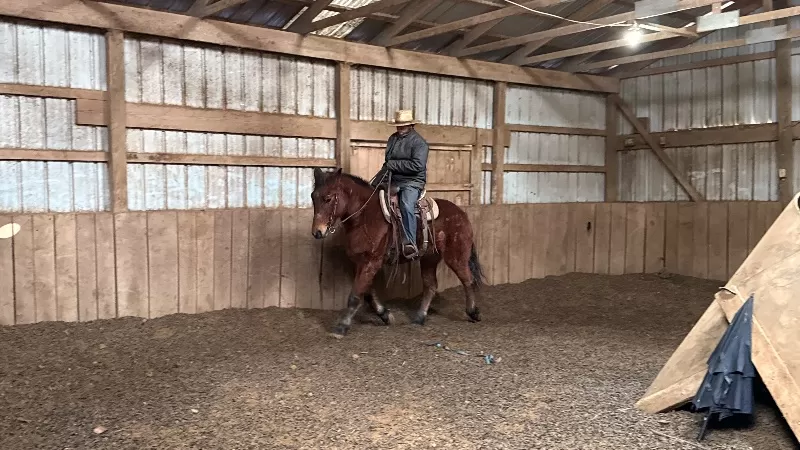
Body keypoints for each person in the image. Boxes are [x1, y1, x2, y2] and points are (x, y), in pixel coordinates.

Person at [371, 109, 429, 259]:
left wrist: (393, 165)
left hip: (412, 181)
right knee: (373, 198)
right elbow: (388, 163)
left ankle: (410, 243)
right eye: (398, 125)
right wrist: (377, 180)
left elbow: (417, 166)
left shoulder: (420, 143)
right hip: (393, 178)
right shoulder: (392, 139)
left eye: (403, 125)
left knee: (405, 203)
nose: (399, 128)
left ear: (410, 125)